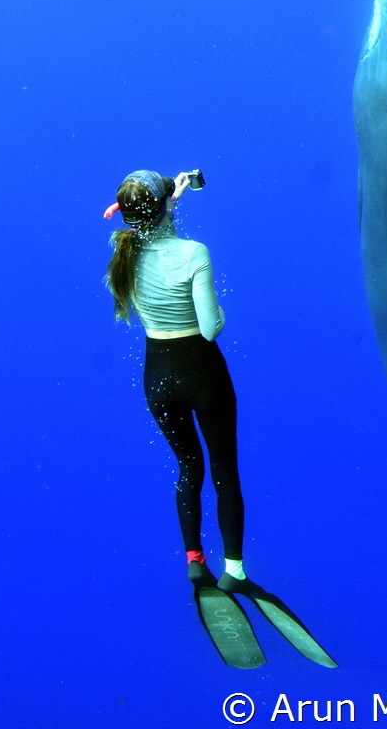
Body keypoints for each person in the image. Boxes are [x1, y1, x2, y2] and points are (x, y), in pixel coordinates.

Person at [104, 169, 246, 586]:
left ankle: (194, 560)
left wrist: (170, 196)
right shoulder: (194, 253)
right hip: (202, 372)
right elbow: (209, 328)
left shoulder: (124, 250)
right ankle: (234, 571)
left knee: (188, 467)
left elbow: (145, 222)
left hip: (158, 379)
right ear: (166, 206)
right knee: (225, 472)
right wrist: (222, 315)